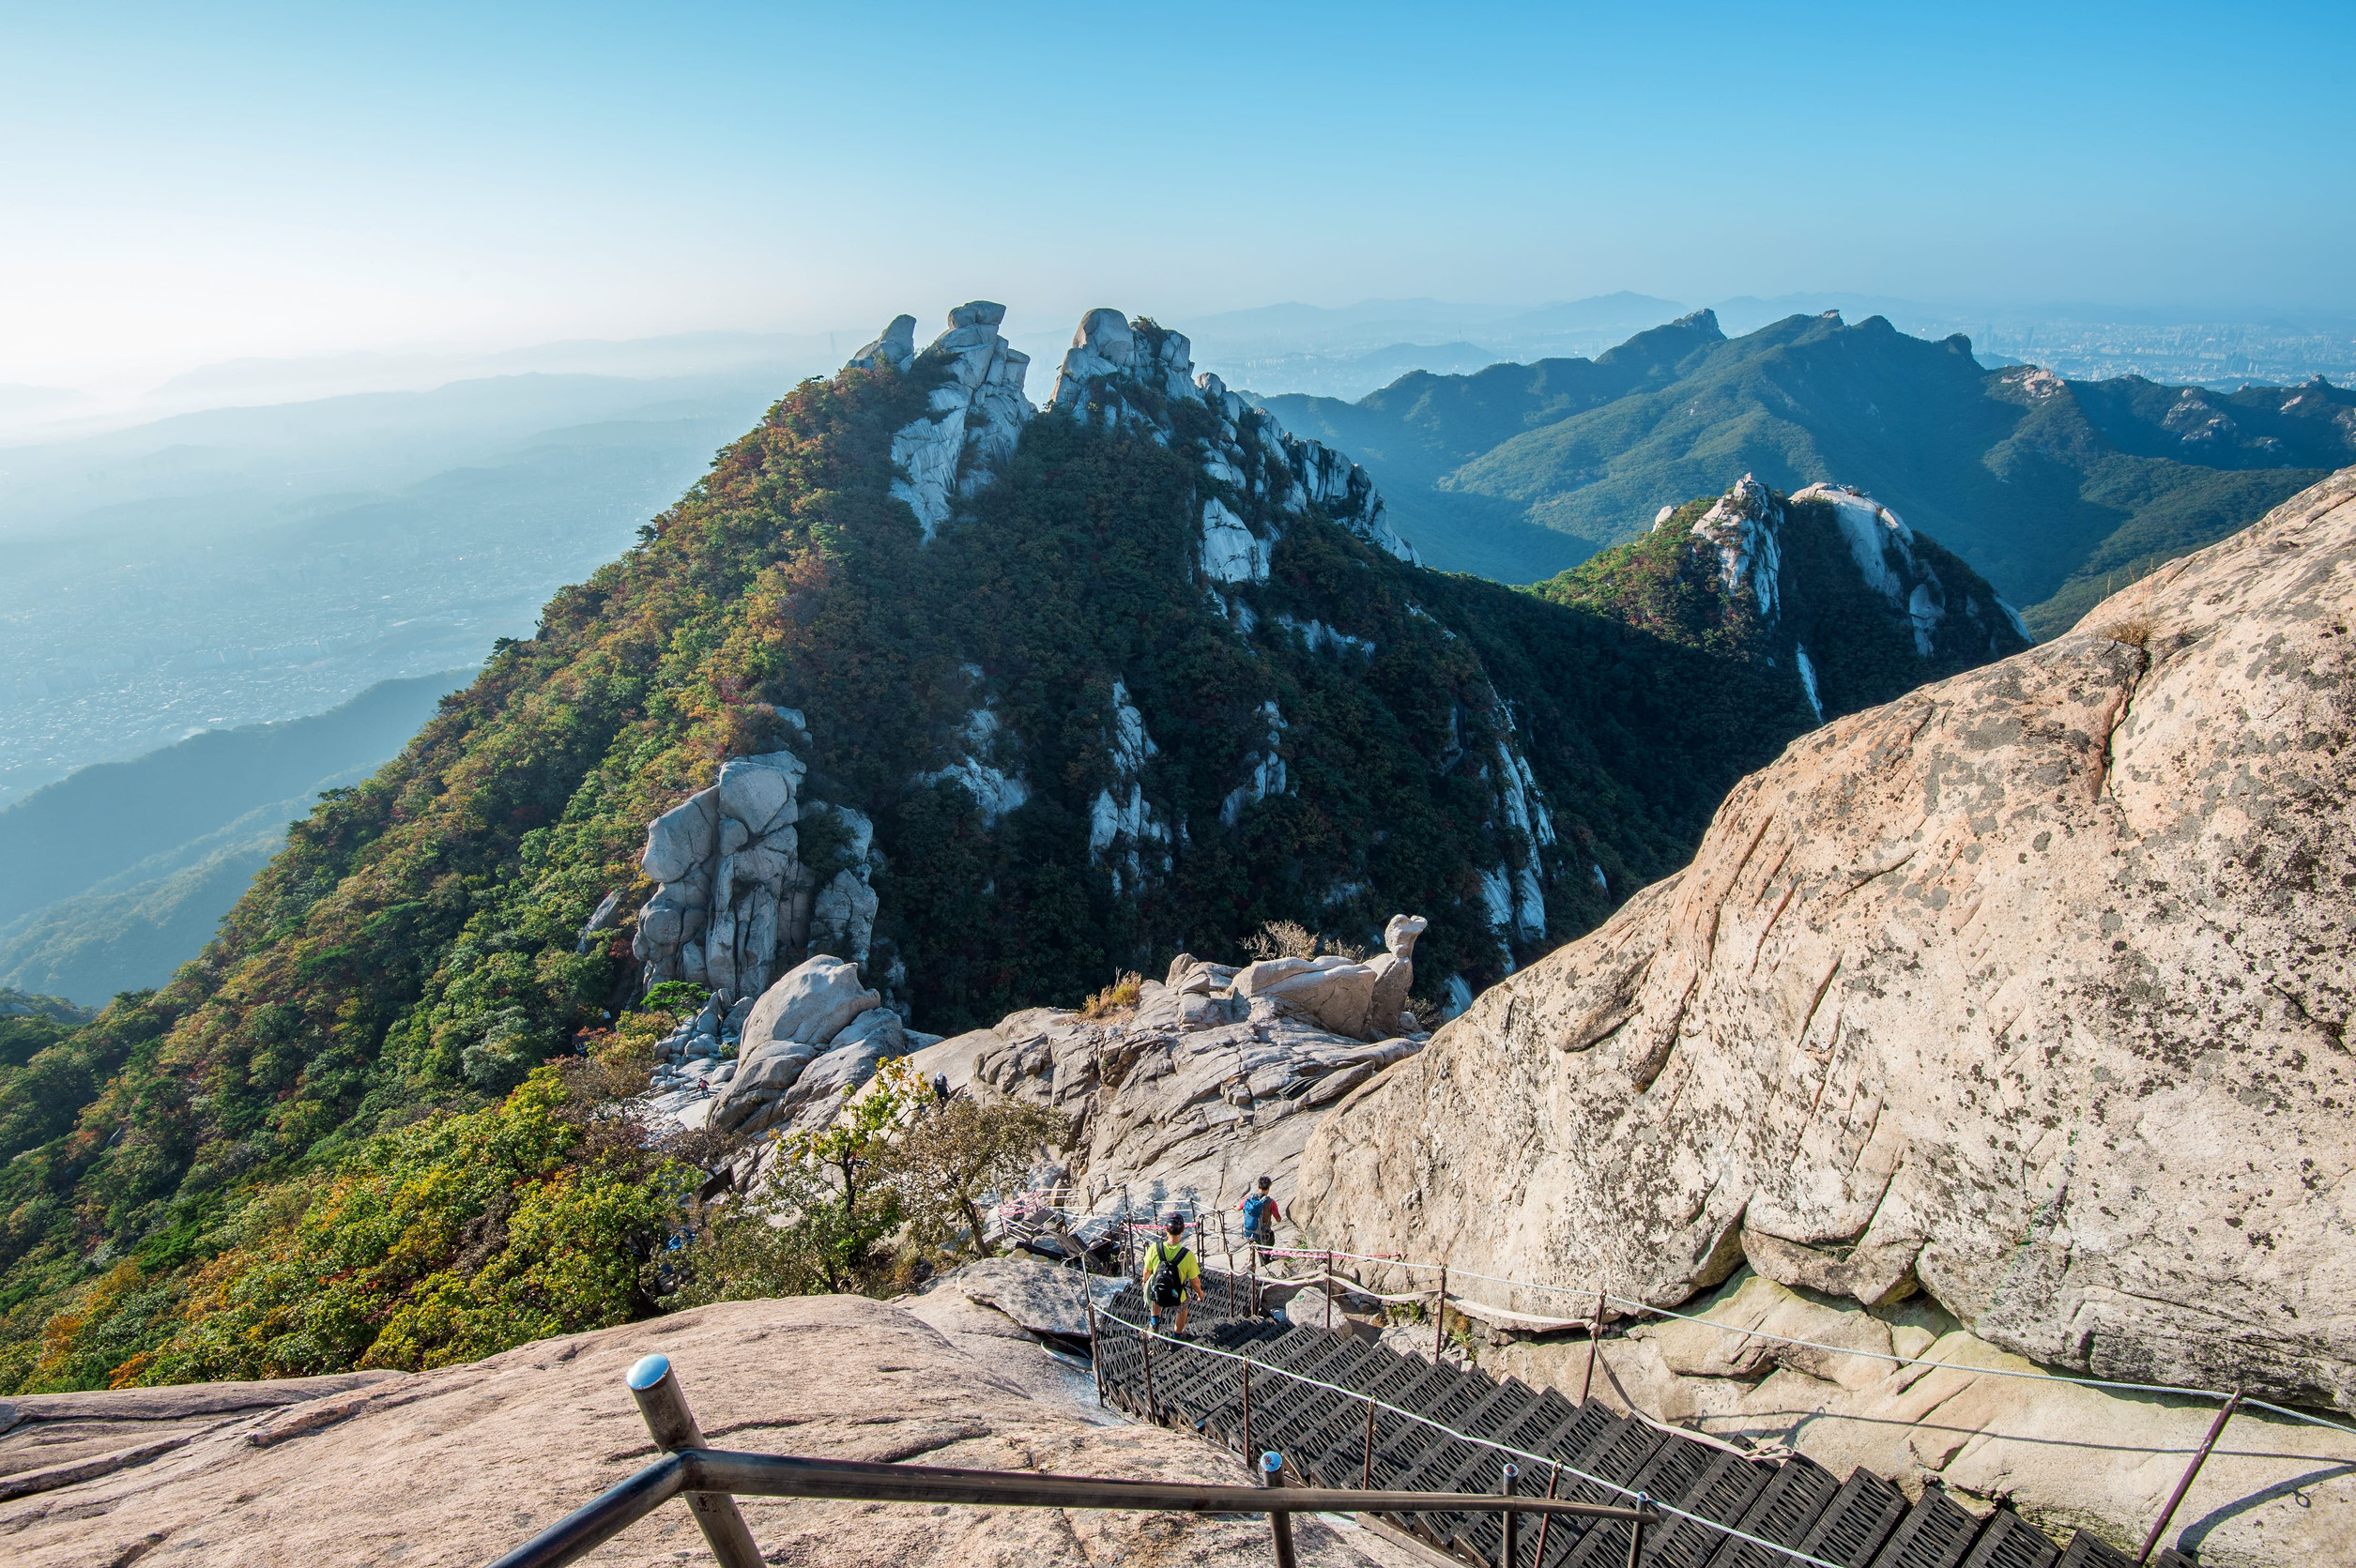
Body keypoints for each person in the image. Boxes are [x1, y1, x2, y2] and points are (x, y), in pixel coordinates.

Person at [1140, 1212, 1204, 1334]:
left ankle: (1154, 1324)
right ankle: (1176, 1336)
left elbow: (1146, 1270)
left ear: (1166, 1229)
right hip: (1177, 1294)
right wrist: (1200, 1293)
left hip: (1158, 1291)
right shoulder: (1188, 1255)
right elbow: (1194, 1282)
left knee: (1156, 1290)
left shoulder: (1154, 1248)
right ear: (1183, 1230)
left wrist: (1144, 1282)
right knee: (1183, 1307)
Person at [1238, 1176, 1280, 1263]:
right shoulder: (1271, 1202)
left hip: (1252, 1233)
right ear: (1268, 1189)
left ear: (1258, 1187)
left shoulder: (1249, 1199)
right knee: (1270, 1242)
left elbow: (1239, 1207)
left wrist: (1233, 1207)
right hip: (1265, 1233)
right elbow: (1278, 1218)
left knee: (1259, 1247)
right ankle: (1266, 1260)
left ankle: (1263, 1261)